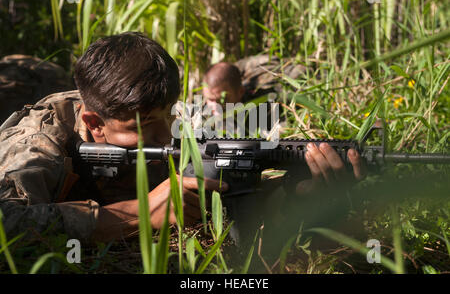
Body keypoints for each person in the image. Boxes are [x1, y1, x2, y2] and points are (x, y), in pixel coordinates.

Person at [0, 32, 365, 246]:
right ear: (94, 124)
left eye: (169, 117)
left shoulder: (178, 128)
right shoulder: (36, 140)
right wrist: (137, 213)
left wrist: (297, 196)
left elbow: (224, 205)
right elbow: (7, 226)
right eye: (144, 128)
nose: (167, 138)